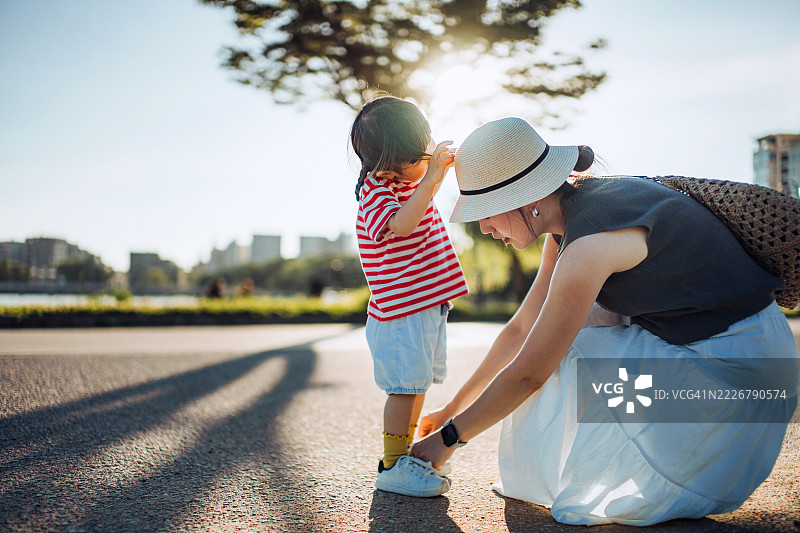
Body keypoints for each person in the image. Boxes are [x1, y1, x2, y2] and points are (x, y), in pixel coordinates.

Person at [411, 117, 798, 525]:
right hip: (724, 351)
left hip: (743, 373)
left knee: (568, 348)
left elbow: (530, 373)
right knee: (566, 330)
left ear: (525, 197)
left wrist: (449, 439)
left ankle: (672, 470)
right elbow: (522, 329)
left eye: (487, 212)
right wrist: (453, 407)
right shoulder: (570, 223)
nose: (483, 227)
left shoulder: (588, 245)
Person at [351, 95, 469, 497]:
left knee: (416, 385)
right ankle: (390, 465)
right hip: (401, 312)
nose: (429, 151)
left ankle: (404, 456)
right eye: (423, 145)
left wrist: (433, 175)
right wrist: (432, 180)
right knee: (403, 387)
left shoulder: (408, 184)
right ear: (396, 155)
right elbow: (400, 227)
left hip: (423, 307)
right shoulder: (377, 192)